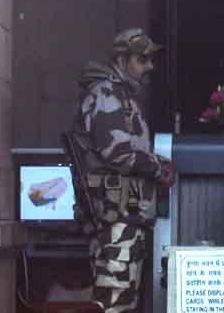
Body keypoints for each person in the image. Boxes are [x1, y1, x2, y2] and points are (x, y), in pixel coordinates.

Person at [70, 27, 175, 313]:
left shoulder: (120, 95)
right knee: (115, 302)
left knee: (122, 299)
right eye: (142, 59)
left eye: (150, 60)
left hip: (124, 216)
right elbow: (117, 153)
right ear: (121, 59)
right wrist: (159, 168)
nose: (149, 66)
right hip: (116, 218)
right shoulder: (106, 94)